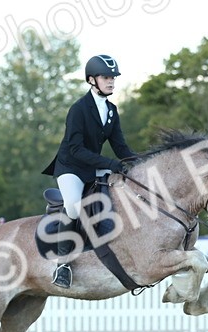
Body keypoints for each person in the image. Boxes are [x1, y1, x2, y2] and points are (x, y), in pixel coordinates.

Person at [41, 54, 137, 288]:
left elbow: (120, 146)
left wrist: (139, 163)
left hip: (94, 167)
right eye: (106, 77)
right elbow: (74, 149)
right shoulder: (78, 109)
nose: (111, 81)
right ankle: (62, 265)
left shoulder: (112, 110)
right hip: (71, 167)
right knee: (74, 205)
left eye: (113, 77)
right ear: (92, 80)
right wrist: (110, 163)